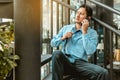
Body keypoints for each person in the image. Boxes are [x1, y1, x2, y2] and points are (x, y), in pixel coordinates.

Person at [51, 4, 110, 80]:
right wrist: (63, 38)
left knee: (103, 72)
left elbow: (90, 51)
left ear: (88, 18)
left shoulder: (92, 33)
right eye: (77, 13)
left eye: (81, 14)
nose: (77, 15)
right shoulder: (66, 28)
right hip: (66, 62)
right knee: (57, 53)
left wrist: (84, 32)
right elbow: (52, 43)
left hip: (81, 64)